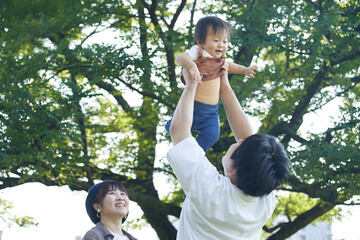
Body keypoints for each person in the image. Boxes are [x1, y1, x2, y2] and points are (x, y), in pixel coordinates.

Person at [166, 69, 290, 239]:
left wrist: (191, 85)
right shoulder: (264, 203)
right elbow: (251, 147)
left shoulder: (210, 188)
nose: (239, 141)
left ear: (234, 168)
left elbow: (178, 129)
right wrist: (223, 86)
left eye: (240, 146)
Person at [165, 16, 258, 152]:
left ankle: (194, 153)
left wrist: (244, 69)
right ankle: (172, 125)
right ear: (200, 41)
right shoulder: (198, 52)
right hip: (193, 105)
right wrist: (191, 65)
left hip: (211, 112)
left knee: (213, 135)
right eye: (216, 40)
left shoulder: (221, 61)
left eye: (224, 42)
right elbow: (180, 57)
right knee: (177, 126)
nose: (221, 45)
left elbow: (230, 65)